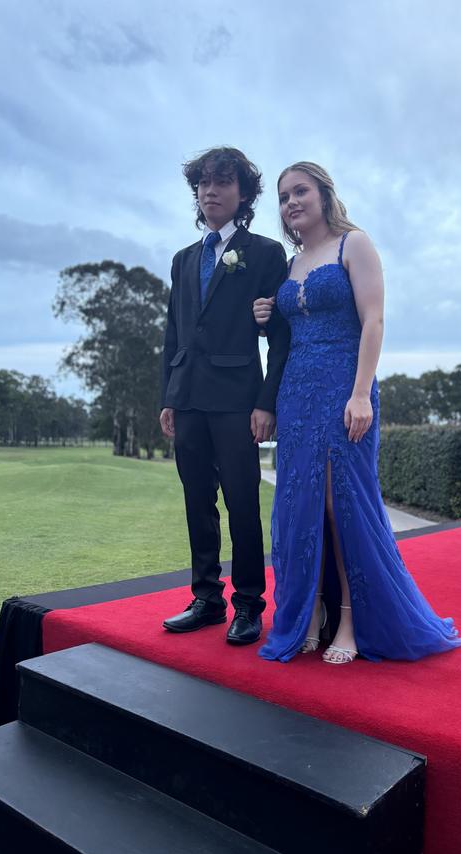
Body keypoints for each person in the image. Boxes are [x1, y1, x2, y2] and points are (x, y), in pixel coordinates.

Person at [253, 162, 461, 664]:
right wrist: (267, 314)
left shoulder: (355, 244)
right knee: (298, 507)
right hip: (297, 396)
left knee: (339, 505)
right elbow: (287, 331)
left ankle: (350, 618)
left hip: (345, 391)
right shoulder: (292, 263)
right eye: (284, 197)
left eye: (300, 191)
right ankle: (307, 613)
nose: (291, 203)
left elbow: (374, 320)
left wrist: (361, 393)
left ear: (324, 194)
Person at [160, 147, 290, 646]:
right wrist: (168, 396)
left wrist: (267, 401)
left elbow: (280, 333)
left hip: (239, 399)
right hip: (188, 398)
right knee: (198, 502)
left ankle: (249, 605)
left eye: (222, 182)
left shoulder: (264, 254)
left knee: (241, 504)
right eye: (203, 183)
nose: (210, 191)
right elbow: (173, 333)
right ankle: (207, 599)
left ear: (243, 193)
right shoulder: (183, 259)